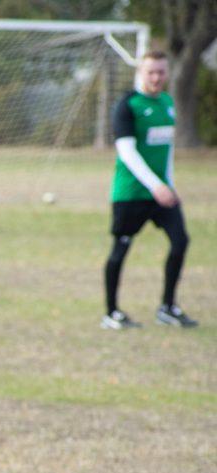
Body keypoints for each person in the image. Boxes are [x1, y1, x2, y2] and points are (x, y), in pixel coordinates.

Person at [102, 51, 196, 329]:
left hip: (162, 193)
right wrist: (155, 185)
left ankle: (167, 307)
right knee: (121, 249)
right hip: (131, 193)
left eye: (161, 72)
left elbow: (166, 152)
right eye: (150, 72)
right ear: (140, 73)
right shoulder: (127, 105)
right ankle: (112, 313)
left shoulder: (167, 103)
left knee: (180, 241)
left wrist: (169, 185)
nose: (156, 77)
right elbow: (127, 152)